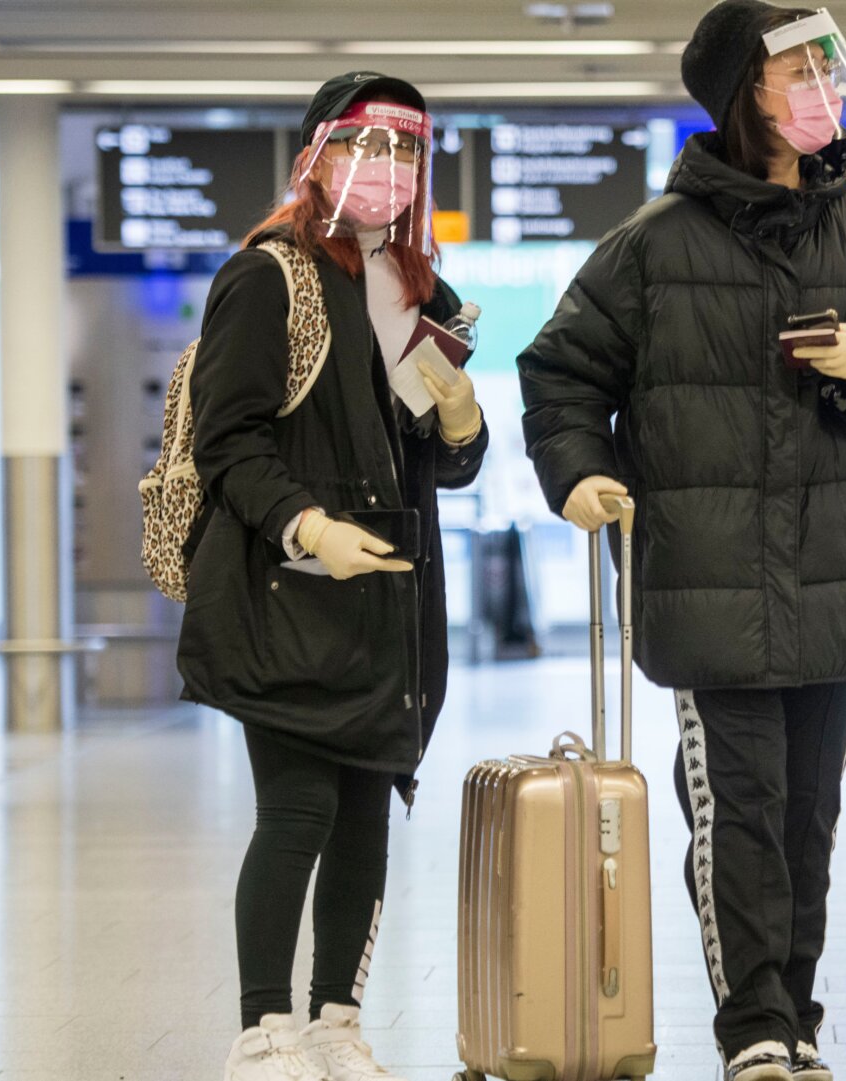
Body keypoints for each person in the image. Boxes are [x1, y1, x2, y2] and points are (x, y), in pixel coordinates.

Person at [517, 4, 846, 1077]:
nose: (825, 87)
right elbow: (560, 374)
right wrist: (580, 474)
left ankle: (795, 1014)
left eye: (827, 68)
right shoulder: (652, 246)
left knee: (809, 817)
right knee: (738, 816)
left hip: (834, 577)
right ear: (740, 94)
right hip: (707, 579)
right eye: (799, 69)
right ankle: (752, 1025)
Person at [176, 72, 486, 1081]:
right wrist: (310, 524)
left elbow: (432, 460)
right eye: (365, 147)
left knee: (363, 815)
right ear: (315, 156)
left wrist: (464, 426)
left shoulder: (412, 292)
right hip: (289, 590)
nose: (385, 172)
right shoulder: (268, 278)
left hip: (391, 596)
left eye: (405, 153)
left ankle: (335, 1023)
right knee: (299, 808)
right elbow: (230, 441)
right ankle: (262, 1030)